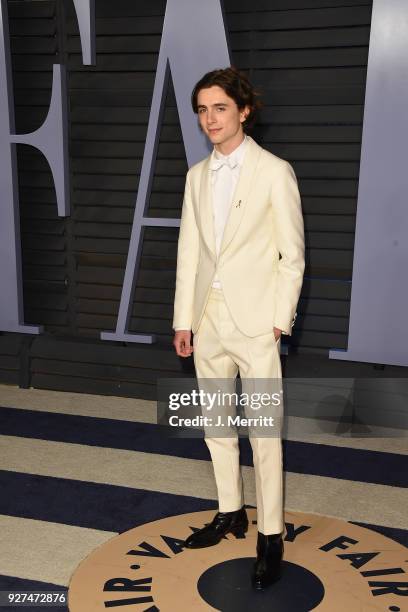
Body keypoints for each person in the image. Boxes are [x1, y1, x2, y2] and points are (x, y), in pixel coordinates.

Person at [172, 66, 305, 589]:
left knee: (265, 432)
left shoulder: (275, 172)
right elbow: (189, 253)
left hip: (256, 325)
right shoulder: (195, 177)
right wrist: (185, 318)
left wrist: (278, 321)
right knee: (217, 426)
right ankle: (230, 511)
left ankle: (270, 534)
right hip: (208, 322)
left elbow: (292, 256)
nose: (210, 118)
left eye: (220, 107)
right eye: (203, 109)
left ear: (243, 110)